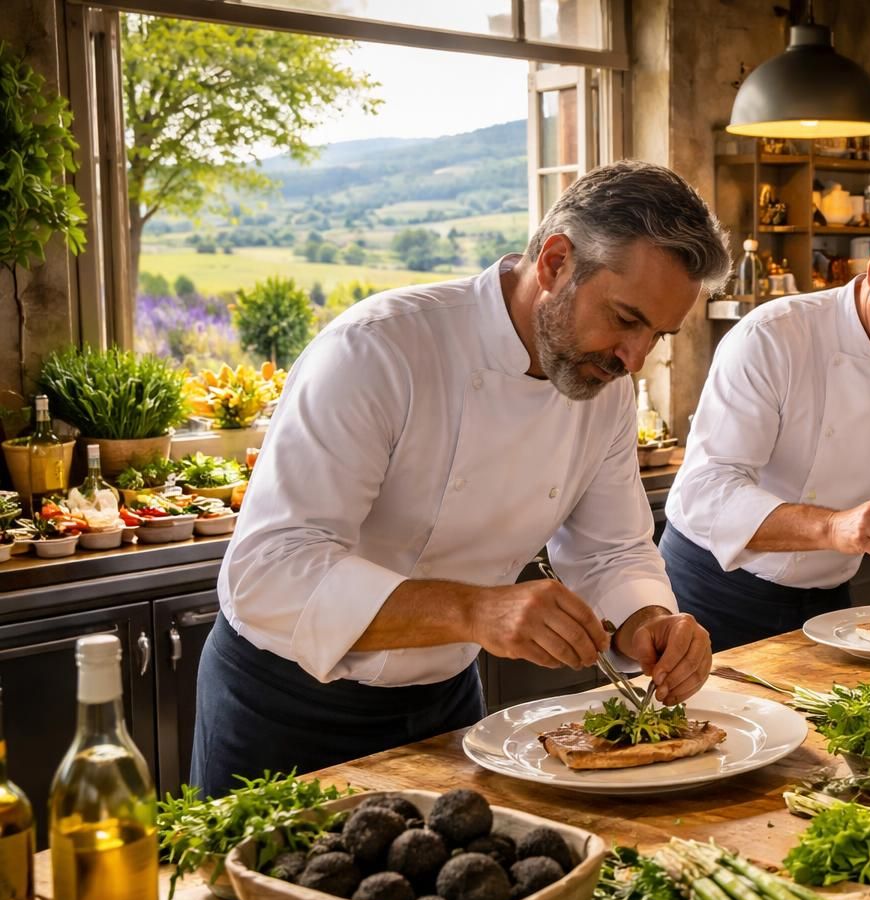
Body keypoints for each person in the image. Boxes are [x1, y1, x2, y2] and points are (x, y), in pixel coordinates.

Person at [190, 161, 732, 796]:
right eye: (625, 318)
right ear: (556, 263)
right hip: (286, 710)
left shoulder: (603, 387)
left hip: (444, 709)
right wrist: (477, 610)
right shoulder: (378, 350)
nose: (634, 359)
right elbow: (269, 573)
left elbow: (609, 548)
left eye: (658, 336)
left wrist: (648, 622)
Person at [661, 203, 870, 651]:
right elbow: (705, 490)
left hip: (826, 603)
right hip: (712, 595)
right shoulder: (773, 337)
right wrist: (834, 527)